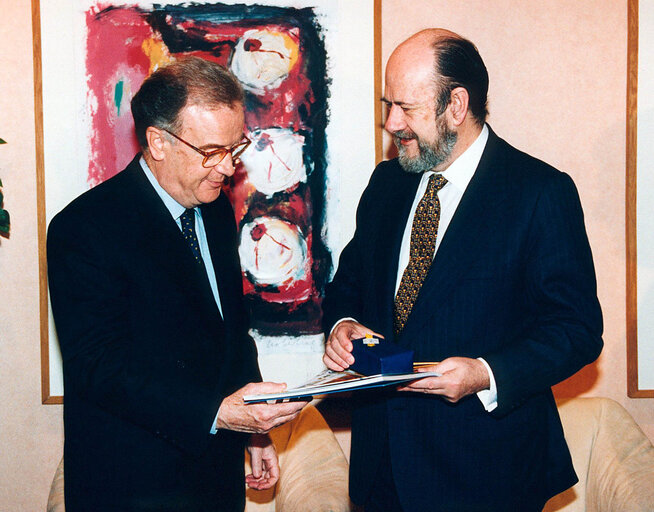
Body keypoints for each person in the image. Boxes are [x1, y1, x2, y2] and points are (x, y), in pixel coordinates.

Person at [323, 29, 603, 511]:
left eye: (406, 108)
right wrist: (342, 325)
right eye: (387, 104)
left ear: (457, 105)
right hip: (381, 470)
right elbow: (349, 283)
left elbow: (576, 329)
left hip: (486, 474)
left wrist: (484, 373)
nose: (391, 123)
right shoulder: (387, 183)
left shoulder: (538, 192)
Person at [47, 57, 307, 512]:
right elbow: (99, 367)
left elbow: (230, 331)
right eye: (212, 151)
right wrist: (217, 413)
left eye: (235, 148)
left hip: (216, 483)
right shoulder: (85, 228)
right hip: (131, 487)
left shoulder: (217, 211)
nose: (227, 168)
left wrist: (254, 429)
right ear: (158, 142)